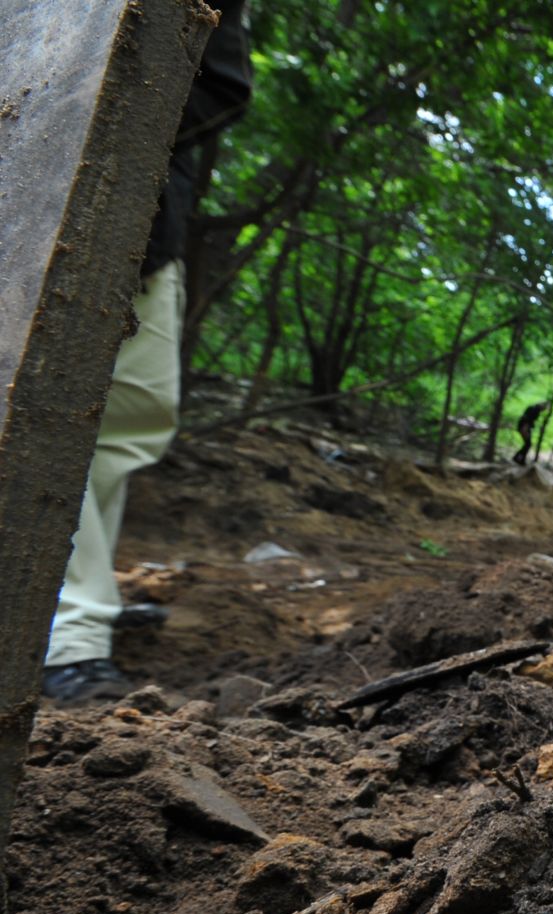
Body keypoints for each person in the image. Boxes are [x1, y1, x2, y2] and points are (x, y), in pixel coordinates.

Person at [40, 2, 253, 705]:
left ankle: (60, 588)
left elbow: (219, 81)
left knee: (127, 418)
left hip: (141, 224)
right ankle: (67, 636)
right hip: (30, 223)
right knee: (38, 412)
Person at [510, 400, 548, 466]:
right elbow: (527, 419)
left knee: (528, 444)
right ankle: (518, 459)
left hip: (525, 426)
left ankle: (519, 459)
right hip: (525, 427)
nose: (544, 410)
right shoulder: (535, 410)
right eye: (544, 408)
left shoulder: (534, 408)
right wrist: (525, 428)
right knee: (528, 444)